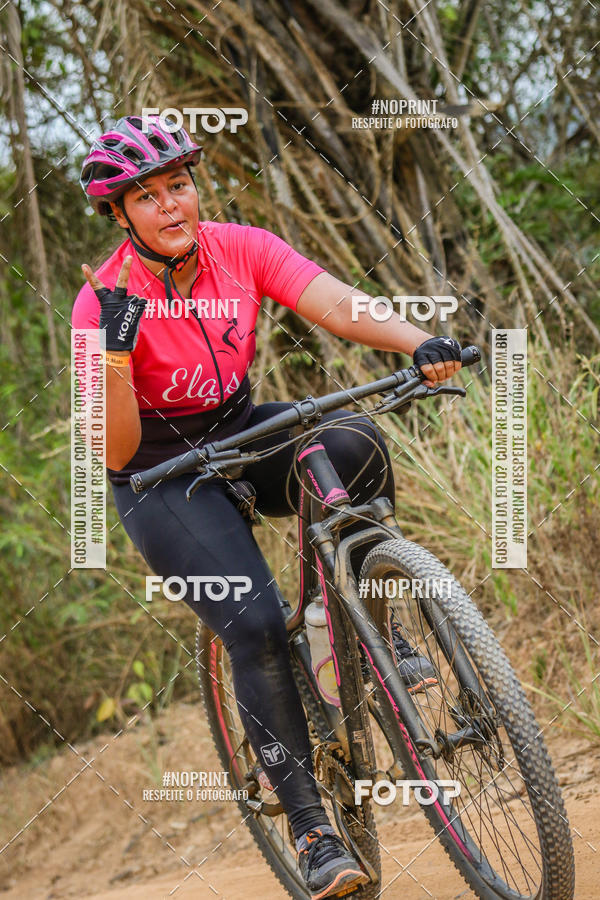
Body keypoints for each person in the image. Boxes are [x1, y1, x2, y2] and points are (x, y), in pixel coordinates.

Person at [72, 114, 462, 900]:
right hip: (160, 472)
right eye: (147, 198)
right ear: (120, 215)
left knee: (353, 439)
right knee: (251, 624)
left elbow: (339, 304)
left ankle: (352, 629)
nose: (172, 206)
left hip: (240, 428)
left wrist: (417, 340)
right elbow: (111, 450)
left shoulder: (240, 247)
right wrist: (114, 350)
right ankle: (314, 832)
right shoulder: (99, 301)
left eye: (178, 185)